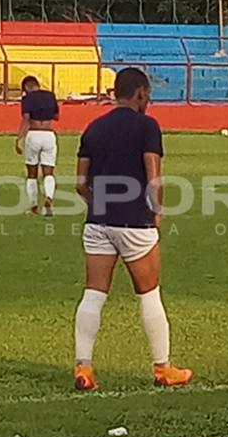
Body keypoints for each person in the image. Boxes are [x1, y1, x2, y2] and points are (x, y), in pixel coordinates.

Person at [73, 67, 192, 391]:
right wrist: (157, 211)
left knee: (93, 294)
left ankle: (84, 367)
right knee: (149, 293)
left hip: (98, 222)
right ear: (140, 93)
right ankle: (163, 368)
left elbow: (80, 184)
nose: (149, 99)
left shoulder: (94, 128)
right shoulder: (147, 127)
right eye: (148, 93)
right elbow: (153, 176)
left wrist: (100, 206)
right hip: (135, 222)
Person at [16, 76, 59, 216]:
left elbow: (26, 119)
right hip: (49, 134)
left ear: (26, 87)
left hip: (34, 134)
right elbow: (57, 116)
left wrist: (19, 139)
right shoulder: (50, 95)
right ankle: (49, 197)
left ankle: (33, 206)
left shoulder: (27, 99)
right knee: (49, 172)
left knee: (32, 174)